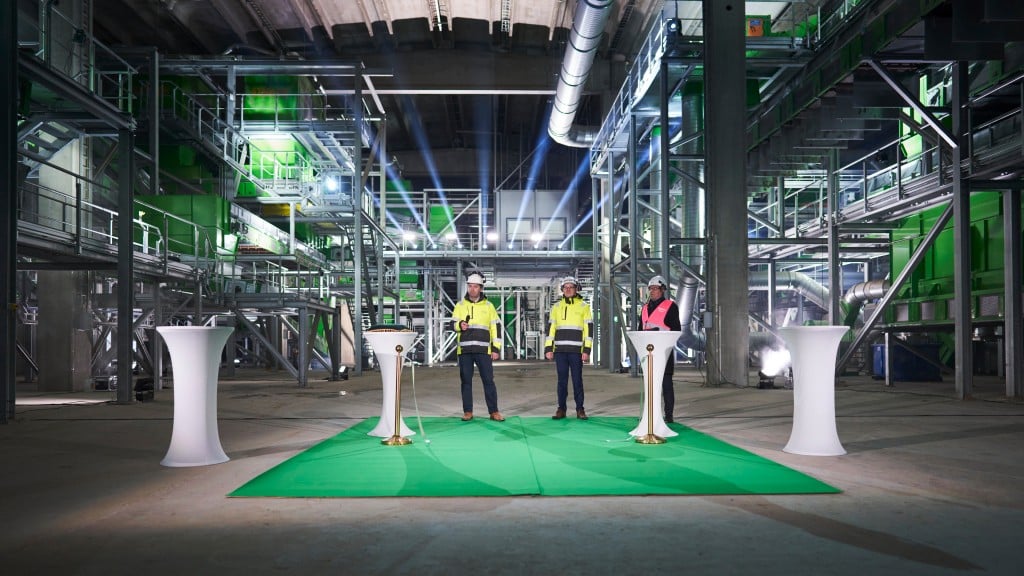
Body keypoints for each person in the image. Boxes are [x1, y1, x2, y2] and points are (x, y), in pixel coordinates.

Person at [451, 272, 504, 422]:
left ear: (480, 288)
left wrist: (496, 348)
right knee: (466, 382)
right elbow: (451, 324)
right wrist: (459, 325)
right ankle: (468, 411)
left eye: (475, 286)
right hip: (465, 351)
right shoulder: (460, 305)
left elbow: (496, 328)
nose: (472, 289)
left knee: (488, 381)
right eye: (470, 286)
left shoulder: (489, 306)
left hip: (484, 351)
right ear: (467, 287)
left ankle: (494, 412)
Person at [544, 276, 593, 420]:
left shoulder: (584, 306)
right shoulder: (556, 307)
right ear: (562, 290)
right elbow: (551, 329)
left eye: (571, 287)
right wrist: (548, 348)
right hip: (560, 351)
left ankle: (580, 409)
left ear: (576, 289)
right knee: (562, 381)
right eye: (566, 287)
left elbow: (588, 330)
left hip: (577, 351)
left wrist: (586, 350)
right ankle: (561, 409)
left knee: (577, 381)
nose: (568, 289)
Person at [639, 275, 682, 423]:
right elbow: (640, 330)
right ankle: (652, 413)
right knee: (651, 385)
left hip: (664, 352)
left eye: (656, 288)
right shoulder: (644, 308)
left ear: (662, 290)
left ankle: (668, 415)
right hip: (648, 353)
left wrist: (659, 332)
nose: (652, 291)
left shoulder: (670, 306)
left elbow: (676, 329)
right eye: (651, 289)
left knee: (666, 384)